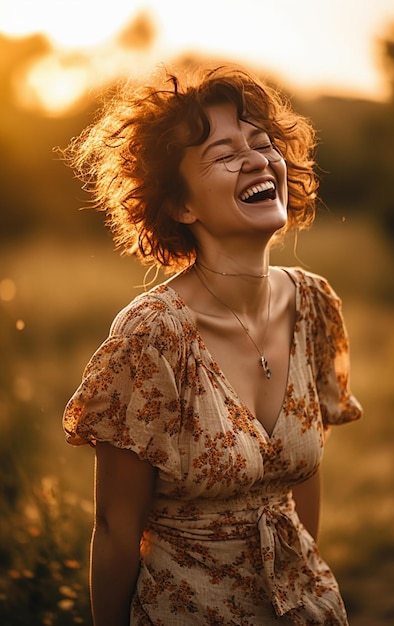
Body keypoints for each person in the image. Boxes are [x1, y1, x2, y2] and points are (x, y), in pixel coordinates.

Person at [62, 64, 362, 626]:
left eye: (261, 142)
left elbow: (300, 480)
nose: (255, 159)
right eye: (224, 154)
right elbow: (116, 530)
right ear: (181, 206)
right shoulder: (152, 337)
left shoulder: (315, 306)